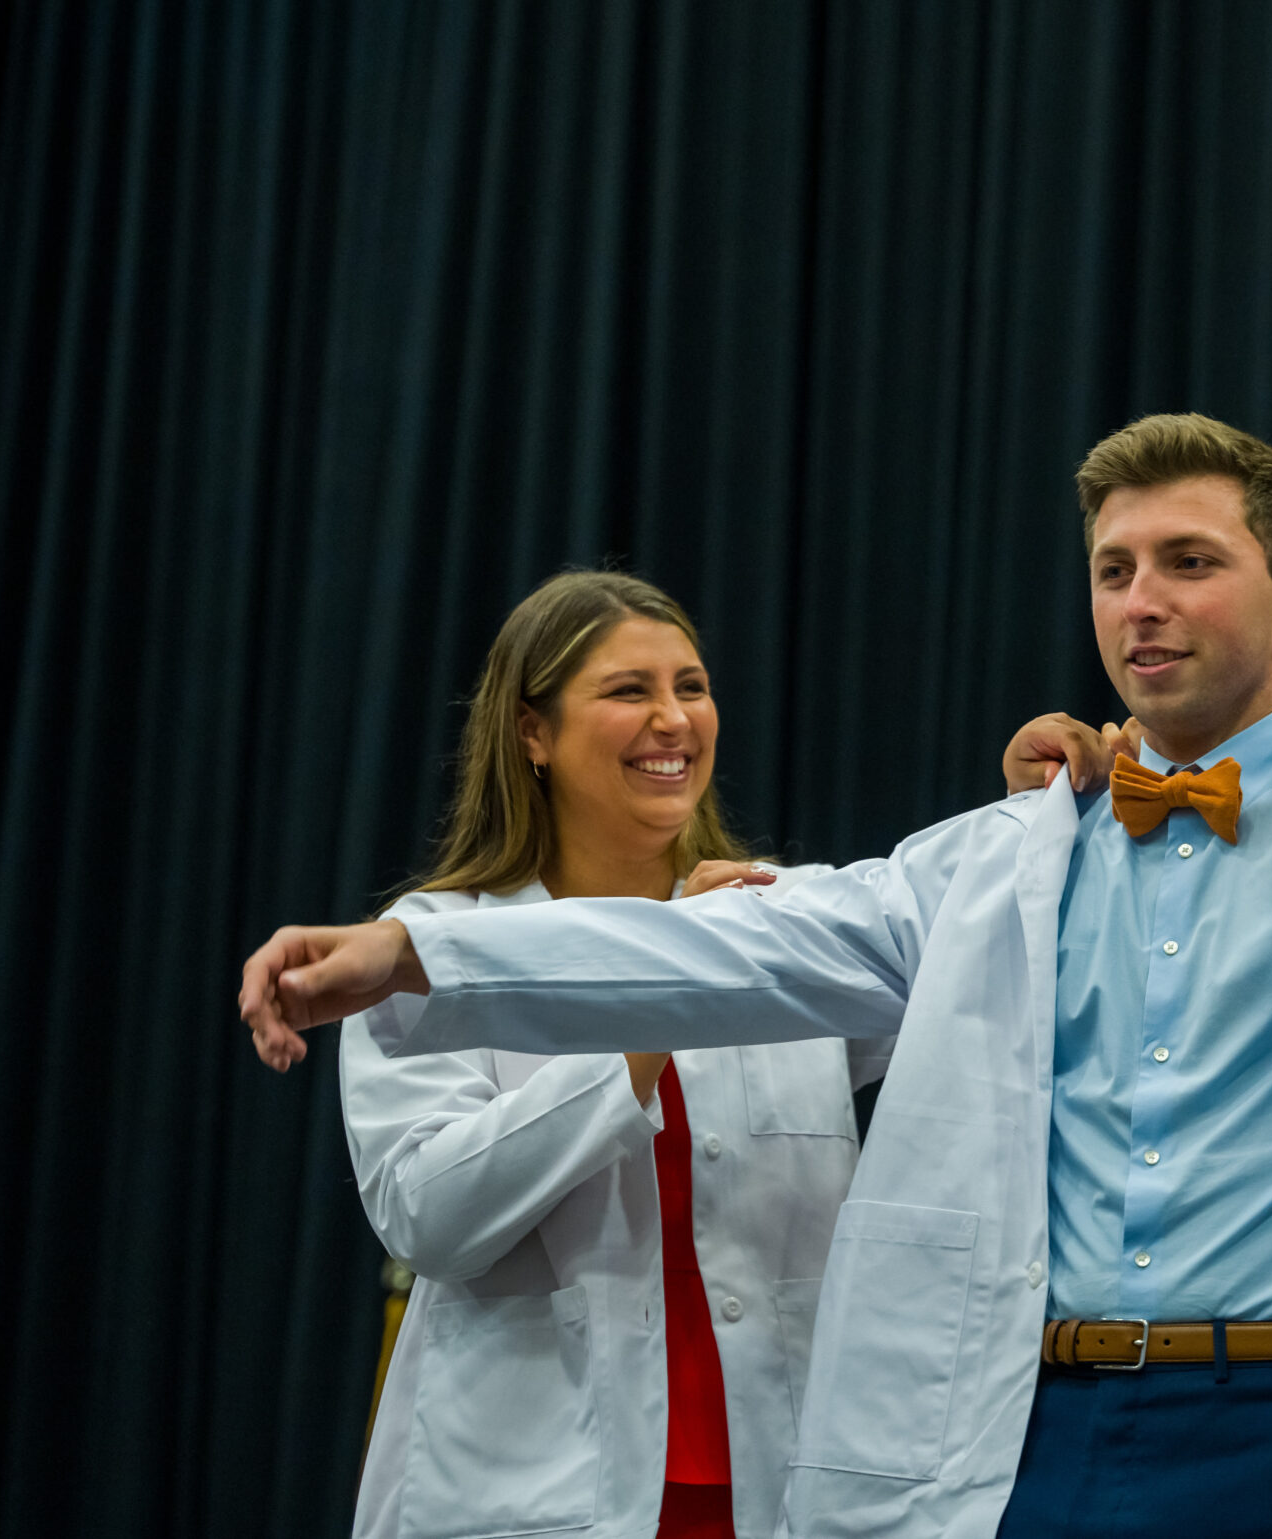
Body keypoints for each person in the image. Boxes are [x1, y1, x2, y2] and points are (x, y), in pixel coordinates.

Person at [239, 415, 1272, 1539]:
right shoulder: (1016, 852)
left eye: (1191, 563)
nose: (1143, 601)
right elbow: (720, 940)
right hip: (1032, 1422)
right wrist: (414, 950)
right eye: (1116, 569)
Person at [343, 571, 879, 1539]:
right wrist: (665, 997)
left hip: (781, 1481)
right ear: (531, 732)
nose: (673, 720)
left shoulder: (786, 920)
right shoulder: (430, 945)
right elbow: (428, 1218)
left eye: (692, 687)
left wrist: (1029, 816)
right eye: (629, 692)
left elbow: (971, 981)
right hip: (538, 1493)